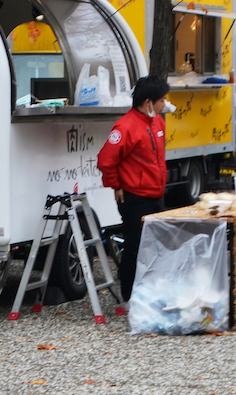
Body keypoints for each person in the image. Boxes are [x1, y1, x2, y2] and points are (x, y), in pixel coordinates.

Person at [96, 75, 170, 302]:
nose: (164, 104)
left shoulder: (158, 122)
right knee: (135, 247)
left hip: (156, 193)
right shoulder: (125, 126)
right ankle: (129, 297)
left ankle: (153, 293)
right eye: (161, 100)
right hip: (135, 196)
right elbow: (106, 160)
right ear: (148, 102)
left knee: (158, 247)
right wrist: (115, 185)